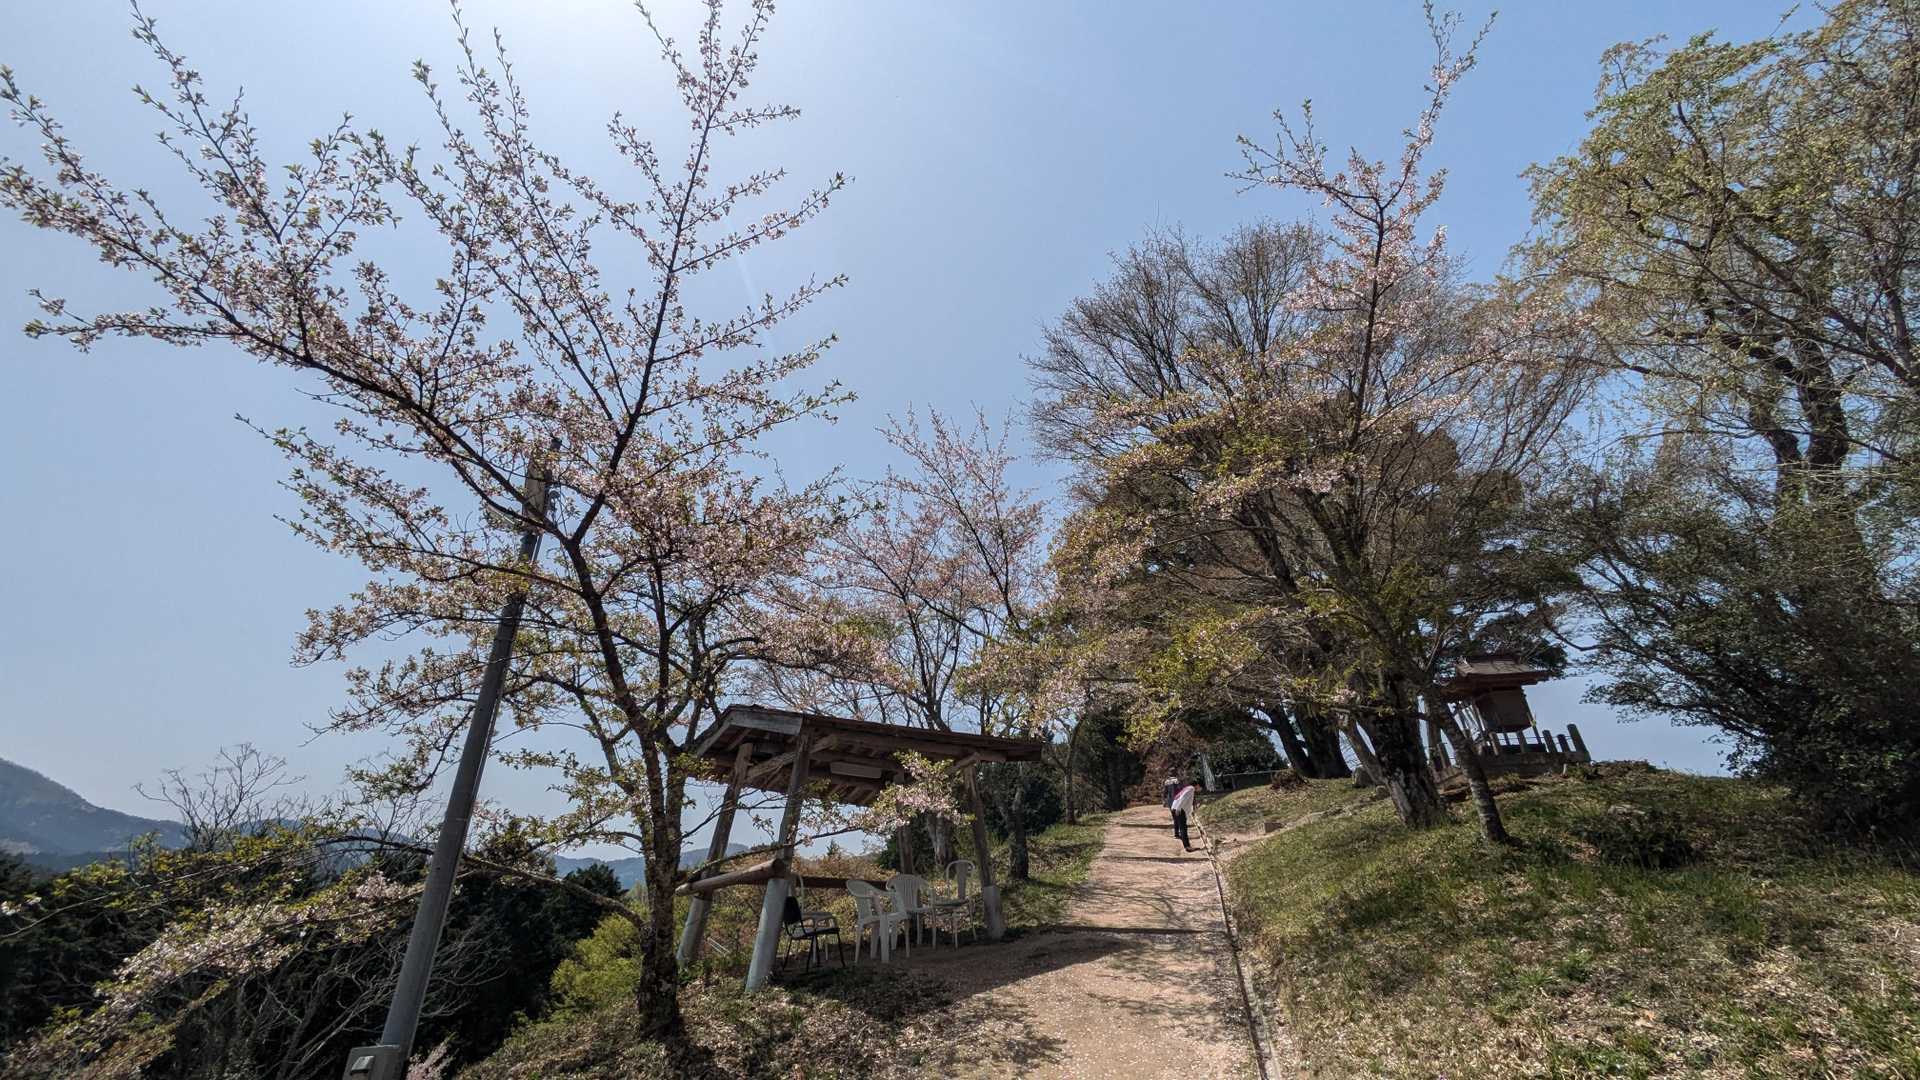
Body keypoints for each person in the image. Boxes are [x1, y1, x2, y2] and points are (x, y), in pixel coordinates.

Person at [1170, 776, 1197, 852]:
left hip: (1174, 807)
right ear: (1197, 785)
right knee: (1183, 828)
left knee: (1181, 827)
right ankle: (1187, 847)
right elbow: (1183, 798)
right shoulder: (1191, 788)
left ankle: (1186, 845)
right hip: (1179, 809)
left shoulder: (1186, 788)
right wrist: (1178, 808)